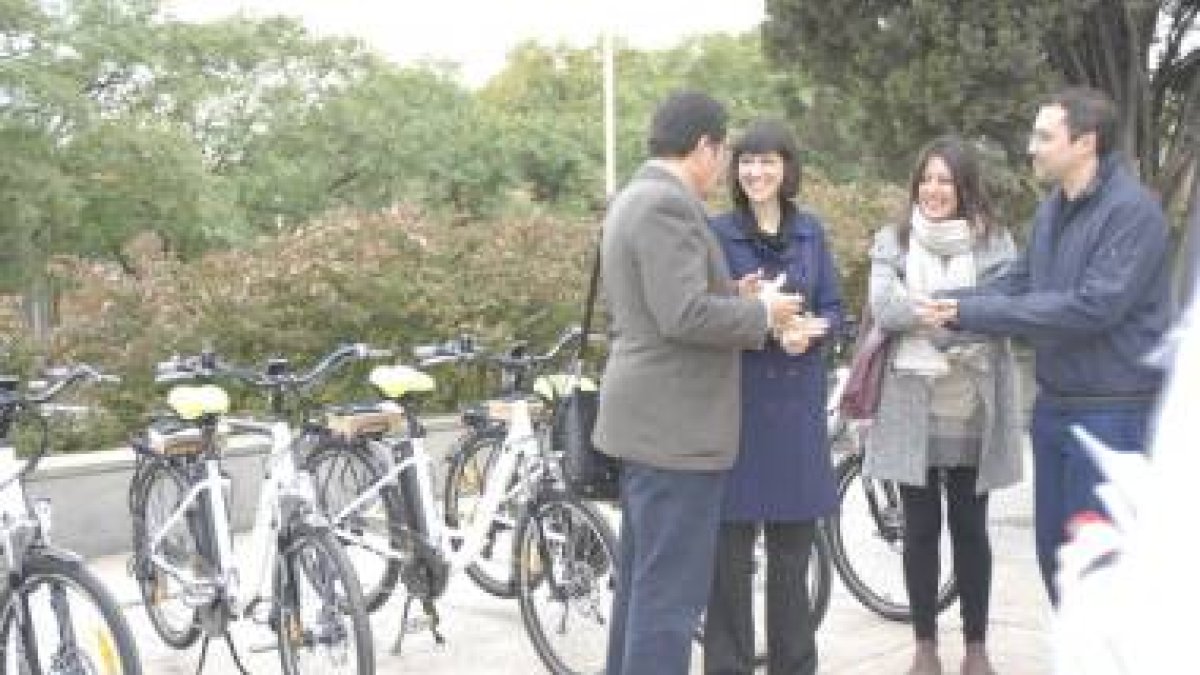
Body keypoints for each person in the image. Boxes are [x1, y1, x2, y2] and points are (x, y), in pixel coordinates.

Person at [921, 86, 1171, 605]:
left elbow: (1091, 308)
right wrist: (948, 306)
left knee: (1101, 573)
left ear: (1085, 143)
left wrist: (971, 311)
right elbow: (1020, 283)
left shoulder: (1134, 213)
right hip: (1055, 409)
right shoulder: (1054, 210)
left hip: (1114, 416)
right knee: (1057, 562)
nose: (1031, 147)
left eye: (1044, 136)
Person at [594, 91, 801, 675]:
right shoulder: (667, 206)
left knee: (642, 589)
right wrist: (764, 316)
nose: (723, 168)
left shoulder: (633, 198)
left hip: (650, 427)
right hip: (675, 434)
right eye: (724, 152)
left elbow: (664, 301)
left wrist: (735, 296)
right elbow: (682, 315)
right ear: (705, 146)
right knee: (668, 602)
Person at [864, 135, 1024, 675]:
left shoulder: (996, 243)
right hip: (911, 399)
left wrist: (938, 318)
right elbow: (884, 306)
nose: (934, 190)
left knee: (971, 525)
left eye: (945, 180)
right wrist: (953, 314)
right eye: (926, 180)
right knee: (920, 526)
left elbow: (1003, 307)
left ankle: (976, 646)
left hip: (970, 400)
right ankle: (925, 644)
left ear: (964, 186)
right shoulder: (893, 238)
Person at [702, 119, 842, 675]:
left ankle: (795, 666)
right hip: (736, 411)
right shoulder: (716, 235)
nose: (756, 172)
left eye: (768, 161)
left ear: (787, 168)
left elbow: (835, 308)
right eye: (747, 162)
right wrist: (763, 325)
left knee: (793, 560)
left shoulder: (811, 231)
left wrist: (815, 328)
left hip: (796, 413)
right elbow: (707, 316)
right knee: (728, 564)